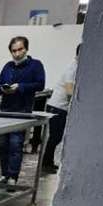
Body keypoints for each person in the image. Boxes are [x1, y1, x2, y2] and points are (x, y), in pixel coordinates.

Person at [0, 36, 46, 188]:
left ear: (26, 49)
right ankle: (4, 174)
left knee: (15, 144)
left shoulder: (35, 65)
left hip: (22, 111)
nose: (17, 53)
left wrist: (20, 87)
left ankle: (12, 177)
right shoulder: (8, 66)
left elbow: (40, 84)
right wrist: (3, 89)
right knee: (3, 144)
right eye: (14, 51)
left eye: (20, 49)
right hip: (5, 110)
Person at [42, 45, 80, 174]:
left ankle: (48, 162)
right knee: (55, 137)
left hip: (58, 107)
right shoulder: (72, 69)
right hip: (57, 107)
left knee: (55, 137)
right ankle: (45, 164)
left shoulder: (76, 67)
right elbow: (69, 91)